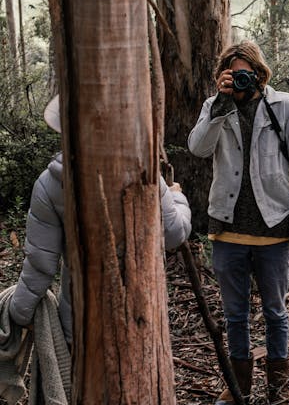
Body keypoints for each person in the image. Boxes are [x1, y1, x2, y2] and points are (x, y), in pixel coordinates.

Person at [188, 40, 289, 405]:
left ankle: (280, 388)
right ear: (223, 76)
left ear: (260, 73)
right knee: (234, 314)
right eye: (233, 73)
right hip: (226, 227)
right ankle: (238, 387)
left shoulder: (284, 106)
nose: (241, 79)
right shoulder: (216, 107)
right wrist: (219, 104)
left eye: (247, 72)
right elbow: (197, 148)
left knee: (276, 311)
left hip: (274, 225)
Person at [9, 95, 192, 346]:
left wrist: (19, 315)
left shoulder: (50, 183)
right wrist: (177, 198)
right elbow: (174, 234)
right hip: (140, 316)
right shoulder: (144, 172)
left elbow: (40, 264)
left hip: (79, 320)